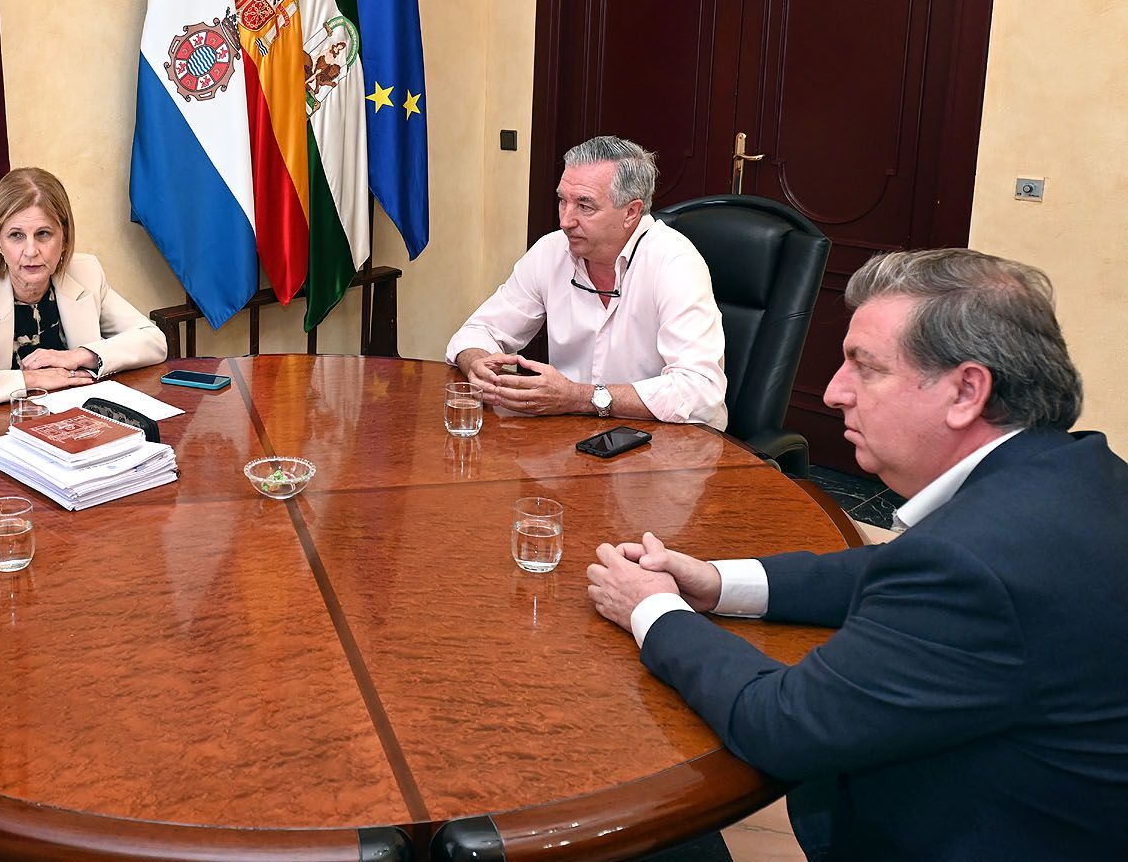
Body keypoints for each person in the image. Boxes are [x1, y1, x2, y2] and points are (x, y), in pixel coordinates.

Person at [585, 249, 1128, 860]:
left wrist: (654, 610)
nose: (834, 392)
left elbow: (783, 725)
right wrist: (714, 581)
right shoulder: (1076, 473)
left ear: (966, 391)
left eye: (865, 368)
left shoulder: (973, 563)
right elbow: (890, 569)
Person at [446, 135, 726, 426]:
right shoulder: (551, 250)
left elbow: (700, 391)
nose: (565, 221)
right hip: (573, 432)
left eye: (584, 206)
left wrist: (579, 397)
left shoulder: (675, 263)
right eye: (563, 201)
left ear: (631, 212)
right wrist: (477, 362)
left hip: (669, 439)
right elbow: (477, 331)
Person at [0, 166, 167, 412]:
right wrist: (32, 380)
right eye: (16, 235)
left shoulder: (86, 273)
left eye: (44, 234)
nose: (31, 251)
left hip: (75, 421)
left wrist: (80, 355)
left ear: (64, 237)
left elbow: (153, 341)